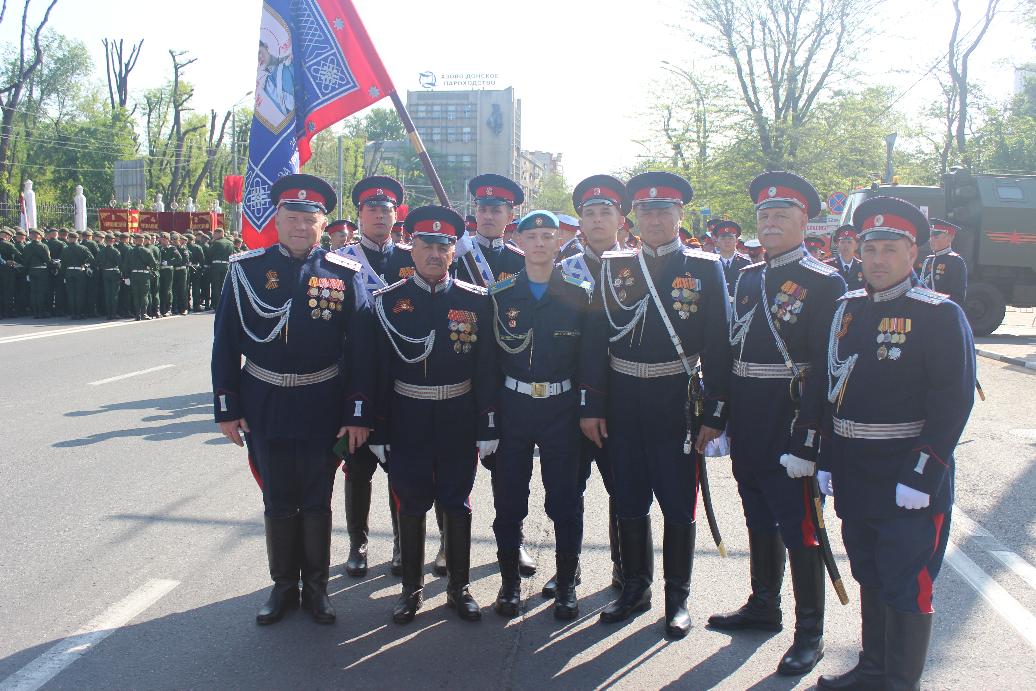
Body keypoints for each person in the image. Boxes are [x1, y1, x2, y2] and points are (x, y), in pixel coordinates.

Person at [817, 197, 975, 691]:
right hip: (855, 471)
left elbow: (951, 402)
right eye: (871, 249)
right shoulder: (847, 309)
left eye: (890, 249)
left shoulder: (938, 314)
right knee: (869, 571)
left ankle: (900, 683)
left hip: (906, 473)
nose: (878, 260)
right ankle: (873, 670)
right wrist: (827, 458)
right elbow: (833, 388)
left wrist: (924, 472)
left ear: (913, 253)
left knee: (907, 581)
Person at [212, 173, 373, 626]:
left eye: (310, 219)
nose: (301, 226)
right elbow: (225, 343)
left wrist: (357, 411)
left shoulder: (344, 274)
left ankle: (317, 588)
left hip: (323, 402)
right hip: (264, 402)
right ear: (277, 220)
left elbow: (362, 351)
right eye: (293, 217)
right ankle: (283, 586)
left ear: (323, 224)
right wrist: (227, 407)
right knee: (278, 497)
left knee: (317, 497)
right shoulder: (245, 270)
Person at [580, 171, 731, 639]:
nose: (655, 219)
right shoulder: (615, 267)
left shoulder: (705, 268)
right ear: (635, 217)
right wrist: (591, 406)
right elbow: (595, 342)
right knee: (628, 497)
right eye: (646, 211)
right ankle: (635, 589)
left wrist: (716, 413)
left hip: (676, 399)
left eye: (664, 211)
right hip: (623, 399)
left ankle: (677, 597)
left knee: (678, 501)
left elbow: (719, 345)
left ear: (680, 214)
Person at [709, 171, 846, 676]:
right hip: (749, 414)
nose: (769, 223)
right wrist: (720, 414)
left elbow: (827, 367)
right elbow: (731, 352)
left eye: (781, 215)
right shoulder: (747, 277)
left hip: (790, 417)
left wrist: (809, 437)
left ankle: (810, 632)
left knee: (801, 525)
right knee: (757, 514)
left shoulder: (825, 281)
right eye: (763, 215)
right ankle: (764, 604)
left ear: (803, 220)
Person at [366, 205, 497, 625]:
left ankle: (459, 587)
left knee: (456, 501)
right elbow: (377, 373)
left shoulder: (476, 301)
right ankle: (411, 588)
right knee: (412, 501)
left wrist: (488, 422)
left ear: (454, 251)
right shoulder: (388, 302)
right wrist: (378, 430)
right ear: (412, 247)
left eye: (444, 247)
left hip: (459, 414)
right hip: (408, 416)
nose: (435, 254)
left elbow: (487, 369)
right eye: (426, 245)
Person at [488, 210, 591, 620]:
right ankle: (510, 585)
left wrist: (587, 409)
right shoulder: (501, 294)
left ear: (559, 242)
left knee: (565, 501)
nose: (540, 243)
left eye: (548, 236)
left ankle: (566, 585)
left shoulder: (578, 295)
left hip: (561, 408)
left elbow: (588, 361)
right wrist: (488, 417)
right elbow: (488, 363)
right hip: (513, 407)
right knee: (509, 501)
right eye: (532, 237)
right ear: (519, 241)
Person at [551, 174, 630, 599]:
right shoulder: (562, 273)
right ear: (580, 221)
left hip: (622, 398)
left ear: (621, 220)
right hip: (568, 399)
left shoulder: (638, 269)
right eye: (590, 213)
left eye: (606, 212)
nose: (597, 220)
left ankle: (624, 567)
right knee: (568, 488)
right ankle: (568, 565)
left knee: (624, 488)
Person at [335, 175, 417, 579]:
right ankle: (358, 543)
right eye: (372, 209)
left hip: (401, 378)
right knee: (358, 465)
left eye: (387, 209)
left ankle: (402, 544)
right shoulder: (340, 260)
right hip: (356, 377)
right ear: (360, 215)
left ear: (395, 215)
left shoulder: (411, 257)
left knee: (400, 467)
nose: (380, 216)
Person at [454, 172, 536, 576]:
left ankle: (512, 539)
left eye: (497, 209)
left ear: (509, 216)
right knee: (453, 465)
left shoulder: (521, 263)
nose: (488, 216)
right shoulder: (455, 255)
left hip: (503, 377)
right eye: (483, 208)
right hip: (457, 370)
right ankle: (449, 542)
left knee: (508, 469)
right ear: (475, 211)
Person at [920, 218, 967, 306]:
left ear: (949, 238)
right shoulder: (928, 260)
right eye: (931, 237)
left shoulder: (956, 261)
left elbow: (957, 296)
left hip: (943, 310)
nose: (931, 240)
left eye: (936, 237)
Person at [714, 220, 752, 297]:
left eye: (731, 238)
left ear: (736, 241)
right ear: (717, 242)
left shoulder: (746, 264)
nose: (727, 241)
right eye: (723, 238)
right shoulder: (710, 263)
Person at [126, 232, 158, 321]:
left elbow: (126, 265)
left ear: (135, 241)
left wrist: (126, 276)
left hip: (133, 274)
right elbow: (154, 265)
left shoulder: (130, 251)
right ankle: (144, 313)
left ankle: (137, 314)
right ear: (143, 241)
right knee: (144, 295)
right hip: (144, 275)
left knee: (136, 295)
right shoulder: (147, 251)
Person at [21, 229, 52, 319]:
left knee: (33, 292)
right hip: (42, 271)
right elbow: (48, 260)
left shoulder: (27, 247)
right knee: (41, 292)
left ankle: (35, 312)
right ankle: (41, 312)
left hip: (31, 271)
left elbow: (25, 260)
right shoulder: (43, 246)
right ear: (40, 236)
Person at [825, 225, 864, 291]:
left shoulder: (863, 267)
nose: (846, 245)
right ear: (837, 245)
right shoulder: (828, 266)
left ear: (856, 245)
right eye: (842, 242)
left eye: (849, 242)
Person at [206, 227, 235, 311]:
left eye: (215, 234)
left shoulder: (216, 243)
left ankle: (217, 305)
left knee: (216, 286)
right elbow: (232, 254)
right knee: (224, 286)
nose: (214, 236)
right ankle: (225, 305)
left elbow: (209, 254)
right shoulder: (230, 243)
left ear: (220, 233)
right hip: (226, 266)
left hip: (216, 266)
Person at [97, 232, 124, 320]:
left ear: (105, 240)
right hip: (114, 273)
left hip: (105, 273)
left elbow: (97, 262)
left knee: (108, 294)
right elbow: (120, 263)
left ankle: (108, 314)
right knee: (114, 294)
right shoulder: (115, 251)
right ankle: (113, 313)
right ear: (113, 241)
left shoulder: (101, 251)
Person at [0, 227, 22, 318]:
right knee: (8, 291)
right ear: (7, 236)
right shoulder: (8, 244)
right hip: (7, 270)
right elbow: (19, 255)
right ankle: (7, 312)